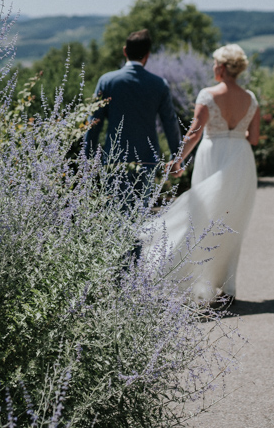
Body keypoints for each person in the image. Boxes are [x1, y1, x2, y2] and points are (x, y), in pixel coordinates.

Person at [144, 43, 260, 304]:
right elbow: (253, 139)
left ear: (220, 67)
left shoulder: (208, 94)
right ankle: (228, 288)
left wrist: (177, 161)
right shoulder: (250, 98)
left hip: (213, 154)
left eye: (214, 63)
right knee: (232, 224)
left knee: (202, 219)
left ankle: (198, 282)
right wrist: (235, 134)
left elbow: (194, 132)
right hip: (241, 161)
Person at [84, 29, 182, 202]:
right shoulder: (159, 84)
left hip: (115, 159)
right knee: (141, 216)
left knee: (115, 215)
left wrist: (88, 158)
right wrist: (176, 157)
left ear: (124, 51)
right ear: (147, 55)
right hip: (147, 159)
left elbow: (94, 122)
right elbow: (170, 123)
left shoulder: (107, 81)